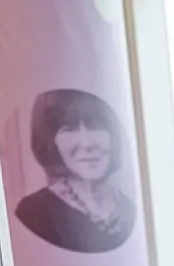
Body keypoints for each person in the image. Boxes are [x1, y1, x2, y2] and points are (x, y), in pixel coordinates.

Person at [13, 88, 137, 254]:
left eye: (95, 127)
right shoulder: (34, 211)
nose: (86, 144)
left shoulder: (131, 209)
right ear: (51, 141)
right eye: (69, 129)